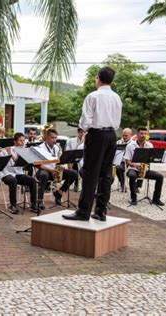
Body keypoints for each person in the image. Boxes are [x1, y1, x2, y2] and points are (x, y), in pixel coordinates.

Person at [63, 66, 122, 222]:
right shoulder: (117, 97)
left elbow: (85, 121)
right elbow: (117, 121)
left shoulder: (93, 96)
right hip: (112, 135)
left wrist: (84, 129)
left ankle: (83, 211)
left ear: (99, 78)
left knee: (90, 173)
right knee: (106, 174)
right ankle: (101, 211)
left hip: (96, 135)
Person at [37, 128, 78, 209]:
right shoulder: (40, 148)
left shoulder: (56, 147)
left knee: (74, 174)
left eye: (56, 138)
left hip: (54, 170)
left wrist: (61, 166)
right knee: (44, 175)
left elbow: (58, 160)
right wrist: (51, 170)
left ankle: (59, 192)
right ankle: (40, 200)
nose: (54, 140)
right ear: (46, 137)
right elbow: (39, 165)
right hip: (44, 170)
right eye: (52, 138)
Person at [124, 127, 165, 206]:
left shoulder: (149, 145)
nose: (143, 135)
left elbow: (151, 159)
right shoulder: (130, 145)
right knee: (132, 176)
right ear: (137, 134)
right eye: (141, 133)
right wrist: (135, 165)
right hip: (133, 169)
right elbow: (127, 161)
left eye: (145, 134)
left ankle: (156, 199)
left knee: (160, 177)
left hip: (144, 169)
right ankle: (133, 198)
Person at [0, 132, 38, 213]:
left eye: (23, 141)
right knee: (13, 180)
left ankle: (33, 204)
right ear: (15, 141)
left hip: (18, 174)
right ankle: (13, 205)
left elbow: (22, 163)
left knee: (32, 180)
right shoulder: (7, 150)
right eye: (20, 141)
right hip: (7, 174)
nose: (23, 143)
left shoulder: (23, 151)